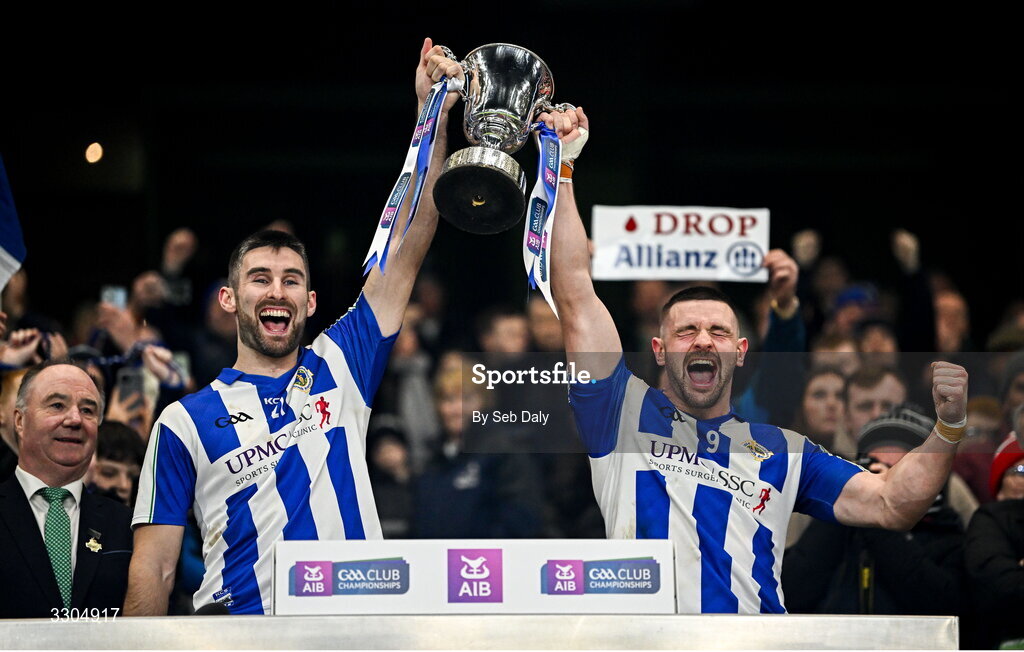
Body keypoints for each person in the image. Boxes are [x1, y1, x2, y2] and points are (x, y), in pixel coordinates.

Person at [545, 106, 969, 613]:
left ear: (740, 352)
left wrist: (948, 429)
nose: (703, 340)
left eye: (718, 330)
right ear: (659, 350)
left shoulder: (786, 452)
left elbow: (891, 504)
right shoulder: (619, 414)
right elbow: (573, 291)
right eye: (686, 331)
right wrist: (564, 167)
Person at [125, 39, 463, 616]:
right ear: (230, 299)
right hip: (240, 633)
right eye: (260, 278)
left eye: (289, 280)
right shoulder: (182, 421)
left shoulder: (342, 363)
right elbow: (155, 564)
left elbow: (409, 245)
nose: (275, 290)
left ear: (309, 302)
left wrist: (429, 116)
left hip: (355, 628)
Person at [783, 405, 965, 616]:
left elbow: (944, 607)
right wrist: (848, 501)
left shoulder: (947, 533)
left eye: (898, 467)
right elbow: (791, 593)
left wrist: (881, 515)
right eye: (873, 465)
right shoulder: (837, 522)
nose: (884, 477)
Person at [0, 360, 132, 618]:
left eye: (88, 410)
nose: (74, 419)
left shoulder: (126, 525)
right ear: (19, 421)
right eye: (57, 405)